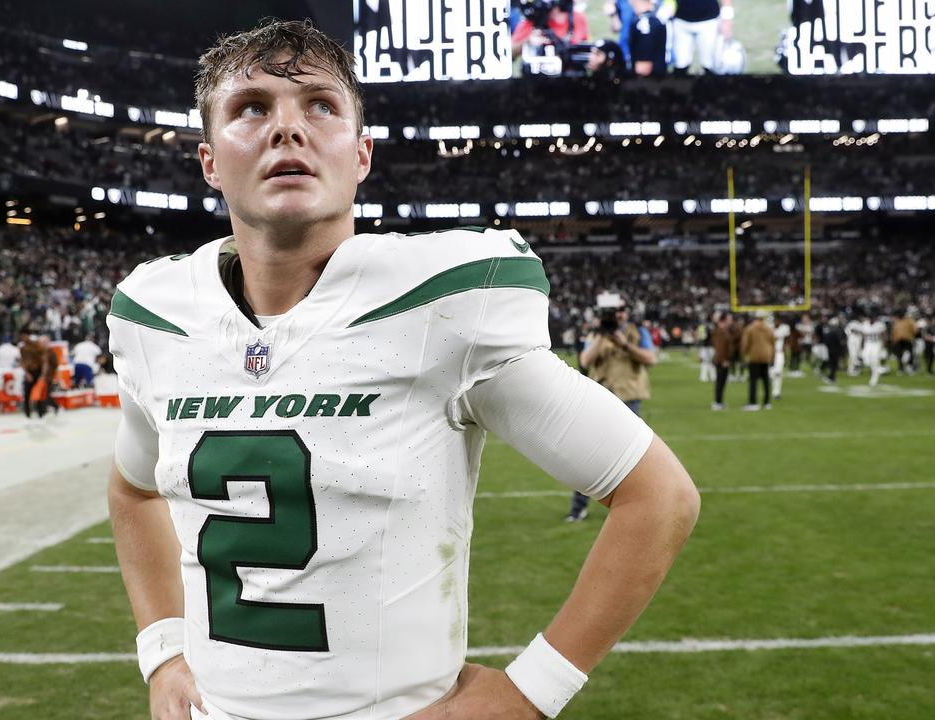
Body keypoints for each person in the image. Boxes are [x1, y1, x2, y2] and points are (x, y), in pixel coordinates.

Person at [106, 20, 699, 720]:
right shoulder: (157, 316)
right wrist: (163, 648)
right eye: (252, 107)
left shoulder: (442, 305)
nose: (287, 128)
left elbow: (658, 495)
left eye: (320, 105)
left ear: (361, 155)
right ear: (209, 161)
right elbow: (132, 490)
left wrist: (528, 693)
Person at [569, 300, 658, 522]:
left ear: (626, 312)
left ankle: (636, 505)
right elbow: (585, 360)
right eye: (612, 312)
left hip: (629, 398)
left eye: (619, 311)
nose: (616, 316)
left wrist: (625, 344)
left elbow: (651, 359)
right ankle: (578, 508)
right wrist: (601, 336)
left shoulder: (637, 332)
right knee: (587, 454)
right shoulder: (596, 334)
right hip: (601, 398)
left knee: (632, 456)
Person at [670, 0, 734, 74]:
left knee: (710, 66)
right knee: (680, 65)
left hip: (709, 22)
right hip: (680, 22)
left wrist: (727, 19)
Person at [740, 314, 775, 410]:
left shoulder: (750, 328)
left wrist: (743, 355)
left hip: (754, 356)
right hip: (766, 356)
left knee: (753, 381)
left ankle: (753, 403)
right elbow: (773, 343)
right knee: (766, 381)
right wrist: (772, 357)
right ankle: (767, 402)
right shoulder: (769, 328)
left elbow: (745, 343)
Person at [628, 0, 670, 76]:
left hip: (647, 70)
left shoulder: (643, 22)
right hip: (659, 67)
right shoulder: (658, 21)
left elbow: (646, 44)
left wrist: (644, 60)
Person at [859, 312, 887, 387]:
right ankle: (881, 369)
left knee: (875, 360)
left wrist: (884, 346)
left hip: (876, 343)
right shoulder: (865, 324)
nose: (872, 319)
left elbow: (884, 335)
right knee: (866, 360)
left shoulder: (880, 325)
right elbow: (863, 336)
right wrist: (862, 346)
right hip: (868, 343)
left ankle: (874, 378)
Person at [771, 314, 791, 400]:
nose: (777, 322)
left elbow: (787, 339)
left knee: (778, 373)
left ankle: (776, 392)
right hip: (770, 353)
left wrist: (785, 349)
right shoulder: (769, 327)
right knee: (771, 374)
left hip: (779, 353)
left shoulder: (784, 328)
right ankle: (771, 390)